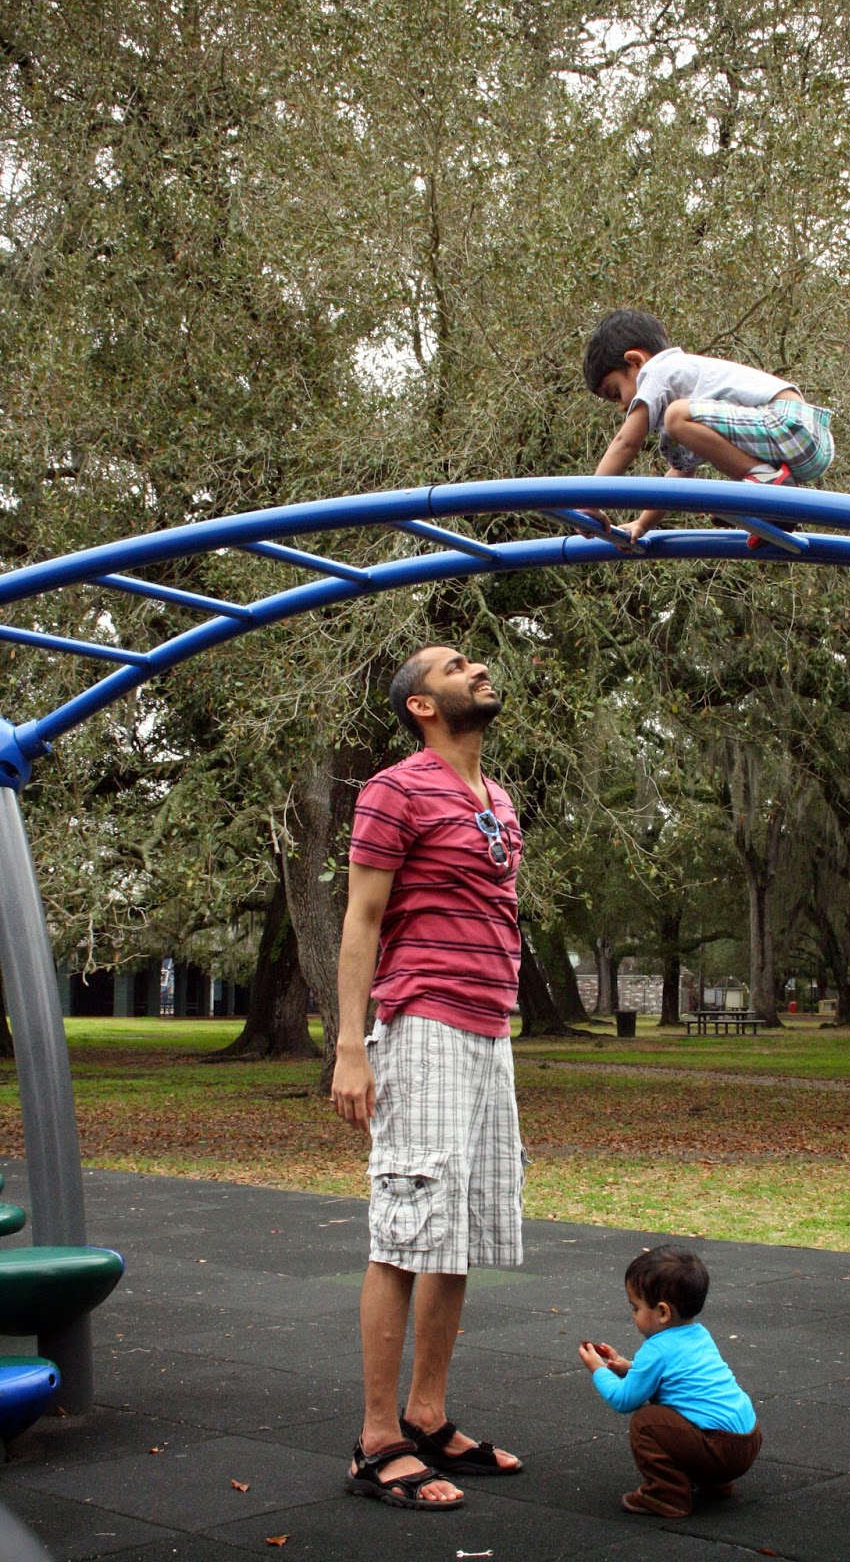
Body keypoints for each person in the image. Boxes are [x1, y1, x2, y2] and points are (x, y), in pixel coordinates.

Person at [331, 645, 526, 1512]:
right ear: (421, 704)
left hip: (489, 1029)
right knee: (406, 1224)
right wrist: (351, 1046)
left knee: (461, 1232)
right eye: (454, 665)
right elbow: (362, 917)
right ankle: (378, 1442)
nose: (476, 668)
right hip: (423, 1021)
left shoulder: (499, 799)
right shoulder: (395, 789)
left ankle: (428, 1415)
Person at [581, 308, 834, 547]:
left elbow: (626, 442)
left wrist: (589, 500)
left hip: (789, 424)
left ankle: (764, 478)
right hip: (805, 442)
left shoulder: (658, 372)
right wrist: (642, 524)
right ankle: (772, 512)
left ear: (635, 361)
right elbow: (679, 476)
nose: (622, 407)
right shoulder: (694, 401)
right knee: (677, 424)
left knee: (676, 415)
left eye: (616, 393)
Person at [579, 1244, 761, 1517]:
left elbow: (622, 1400)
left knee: (647, 1421)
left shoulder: (656, 1349)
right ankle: (715, 1483)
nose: (633, 1314)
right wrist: (629, 1368)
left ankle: (667, 1495)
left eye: (636, 1307)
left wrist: (597, 1369)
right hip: (748, 1440)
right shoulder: (699, 1335)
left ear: (662, 1312)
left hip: (718, 1449)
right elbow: (673, 1377)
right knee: (685, 1414)